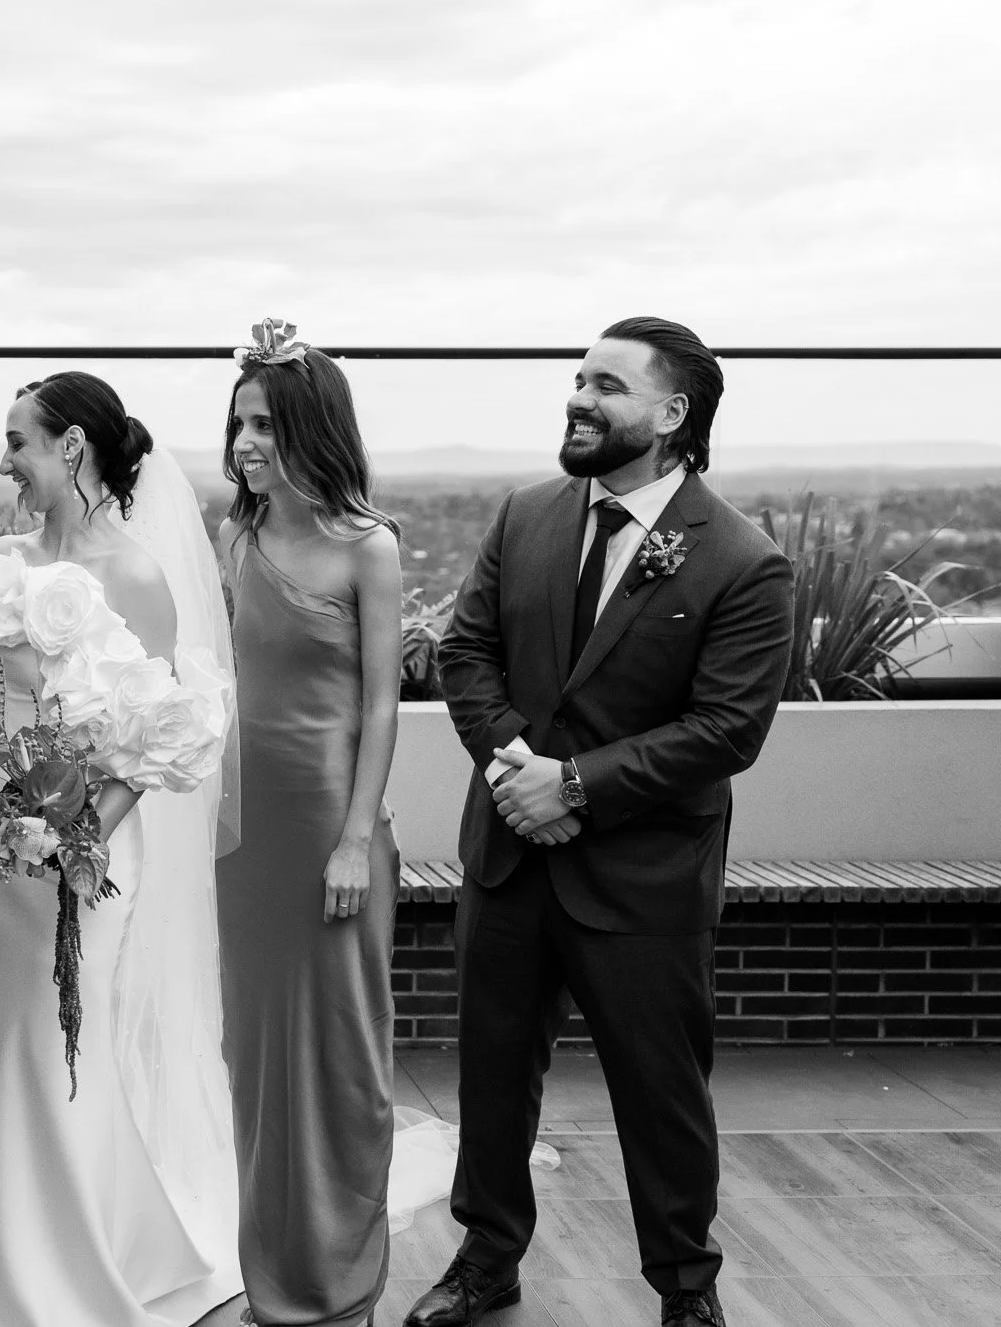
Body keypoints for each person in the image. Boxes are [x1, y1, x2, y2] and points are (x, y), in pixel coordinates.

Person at [410, 318, 794, 1327]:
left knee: (658, 1093)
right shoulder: (523, 516)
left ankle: (683, 1288)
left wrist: (571, 786)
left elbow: (724, 729)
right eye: (576, 379)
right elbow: (465, 657)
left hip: (642, 879)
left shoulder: (742, 561)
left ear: (669, 417)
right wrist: (515, 774)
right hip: (508, 856)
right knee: (491, 1077)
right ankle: (486, 1258)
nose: (577, 398)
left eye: (606, 385)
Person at [0, 371, 244, 1327]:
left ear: (71, 449)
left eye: (19, 440)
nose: (3, 459)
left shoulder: (139, 575)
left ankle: (77, 1276)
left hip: (87, 851)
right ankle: (0, 1262)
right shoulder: (1, 560)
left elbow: (161, 736)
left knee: (69, 1036)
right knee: (7, 1039)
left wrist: (75, 833)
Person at [213, 323, 407, 1327]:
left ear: (312, 430)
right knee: (252, 1067)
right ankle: (269, 1283)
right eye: (239, 423)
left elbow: (380, 706)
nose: (246, 443)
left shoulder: (368, 548)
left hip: (333, 834)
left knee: (338, 1064)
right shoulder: (234, 538)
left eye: (266, 424)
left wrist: (350, 840)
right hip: (243, 845)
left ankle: (340, 1289)